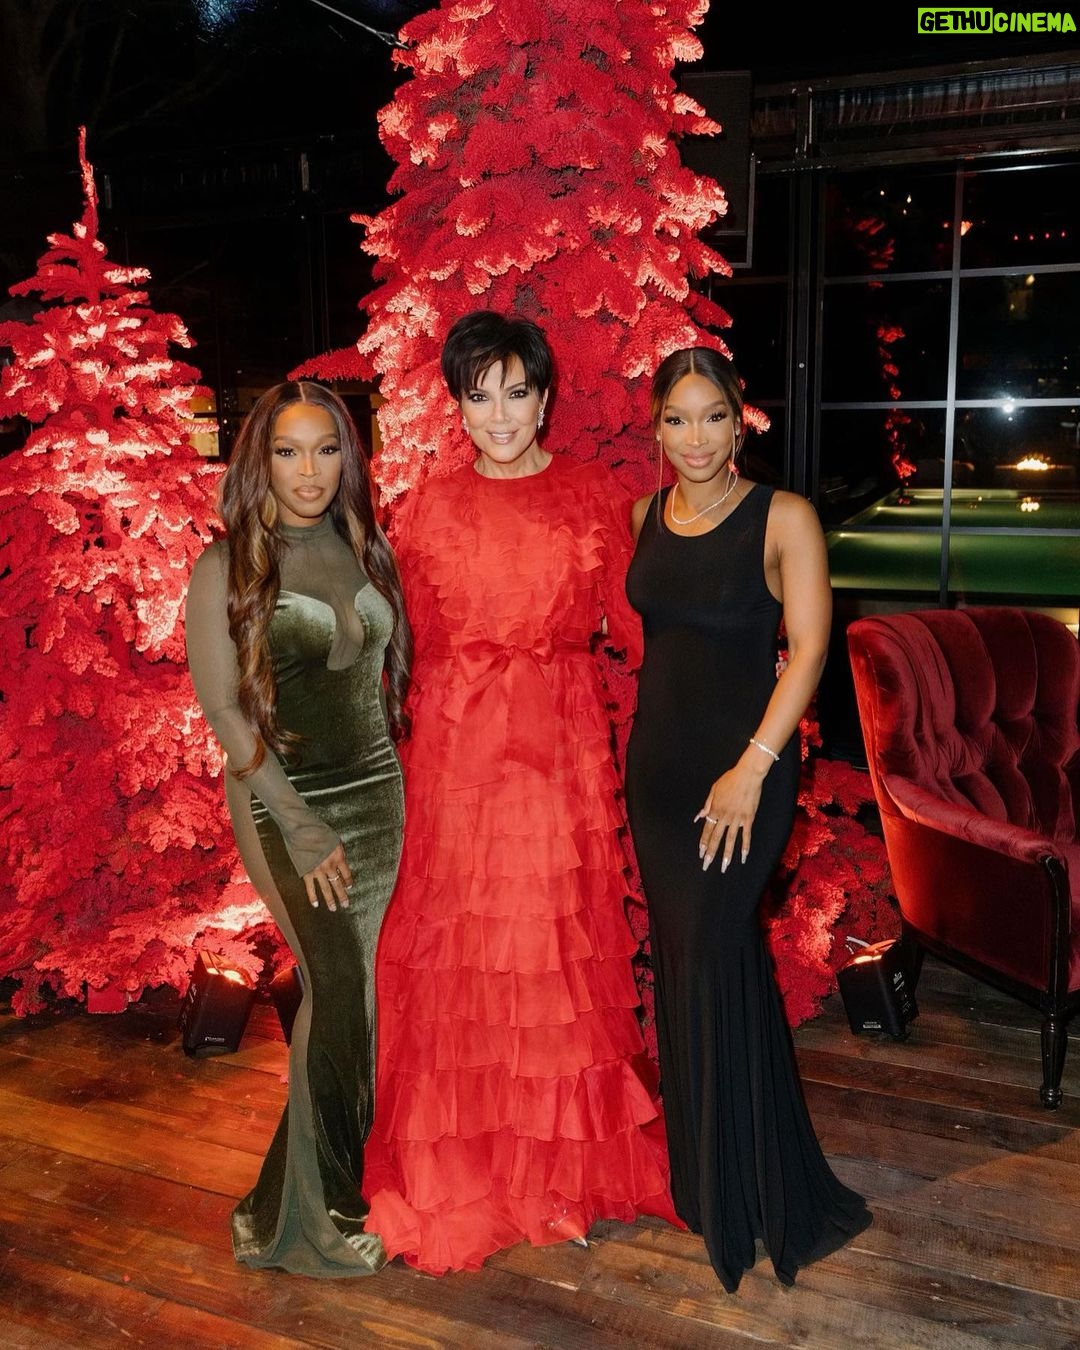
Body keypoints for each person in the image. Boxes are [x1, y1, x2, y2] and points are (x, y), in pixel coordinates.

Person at [362, 310, 678, 1274]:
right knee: (461, 950)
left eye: (516, 392)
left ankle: (561, 1170)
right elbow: (396, 647)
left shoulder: (594, 495)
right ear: (456, 406)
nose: (498, 414)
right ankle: (469, 1167)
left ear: (545, 398)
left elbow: (639, 628)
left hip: (558, 750)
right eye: (479, 395)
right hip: (455, 757)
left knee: (549, 949)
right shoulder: (425, 506)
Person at [624, 347, 872, 1292]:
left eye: (713, 417)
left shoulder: (784, 517)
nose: (695, 438)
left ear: (740, 419)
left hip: (747, 772)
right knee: (686, 965)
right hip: (659, 774)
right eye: (676, 419)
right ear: (657, 427)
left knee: (720, 953)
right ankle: (710, 1181)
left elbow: (808, 651)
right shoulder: (645, 517)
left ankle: (759, 1186)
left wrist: (752, 769)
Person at [185, 381, 411, 1277]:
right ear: (261, 461)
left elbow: (380, 691)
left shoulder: (365, 545)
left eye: (325, 450)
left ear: (347, 458)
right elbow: (226, 712)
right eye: (288, 451)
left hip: (379, 798)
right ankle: (318, 1220)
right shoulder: (228, 565)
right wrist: (300, 823)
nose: (308, 471)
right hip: (286, 801)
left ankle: (294, 1192)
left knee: (359, 999)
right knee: (338, 985)